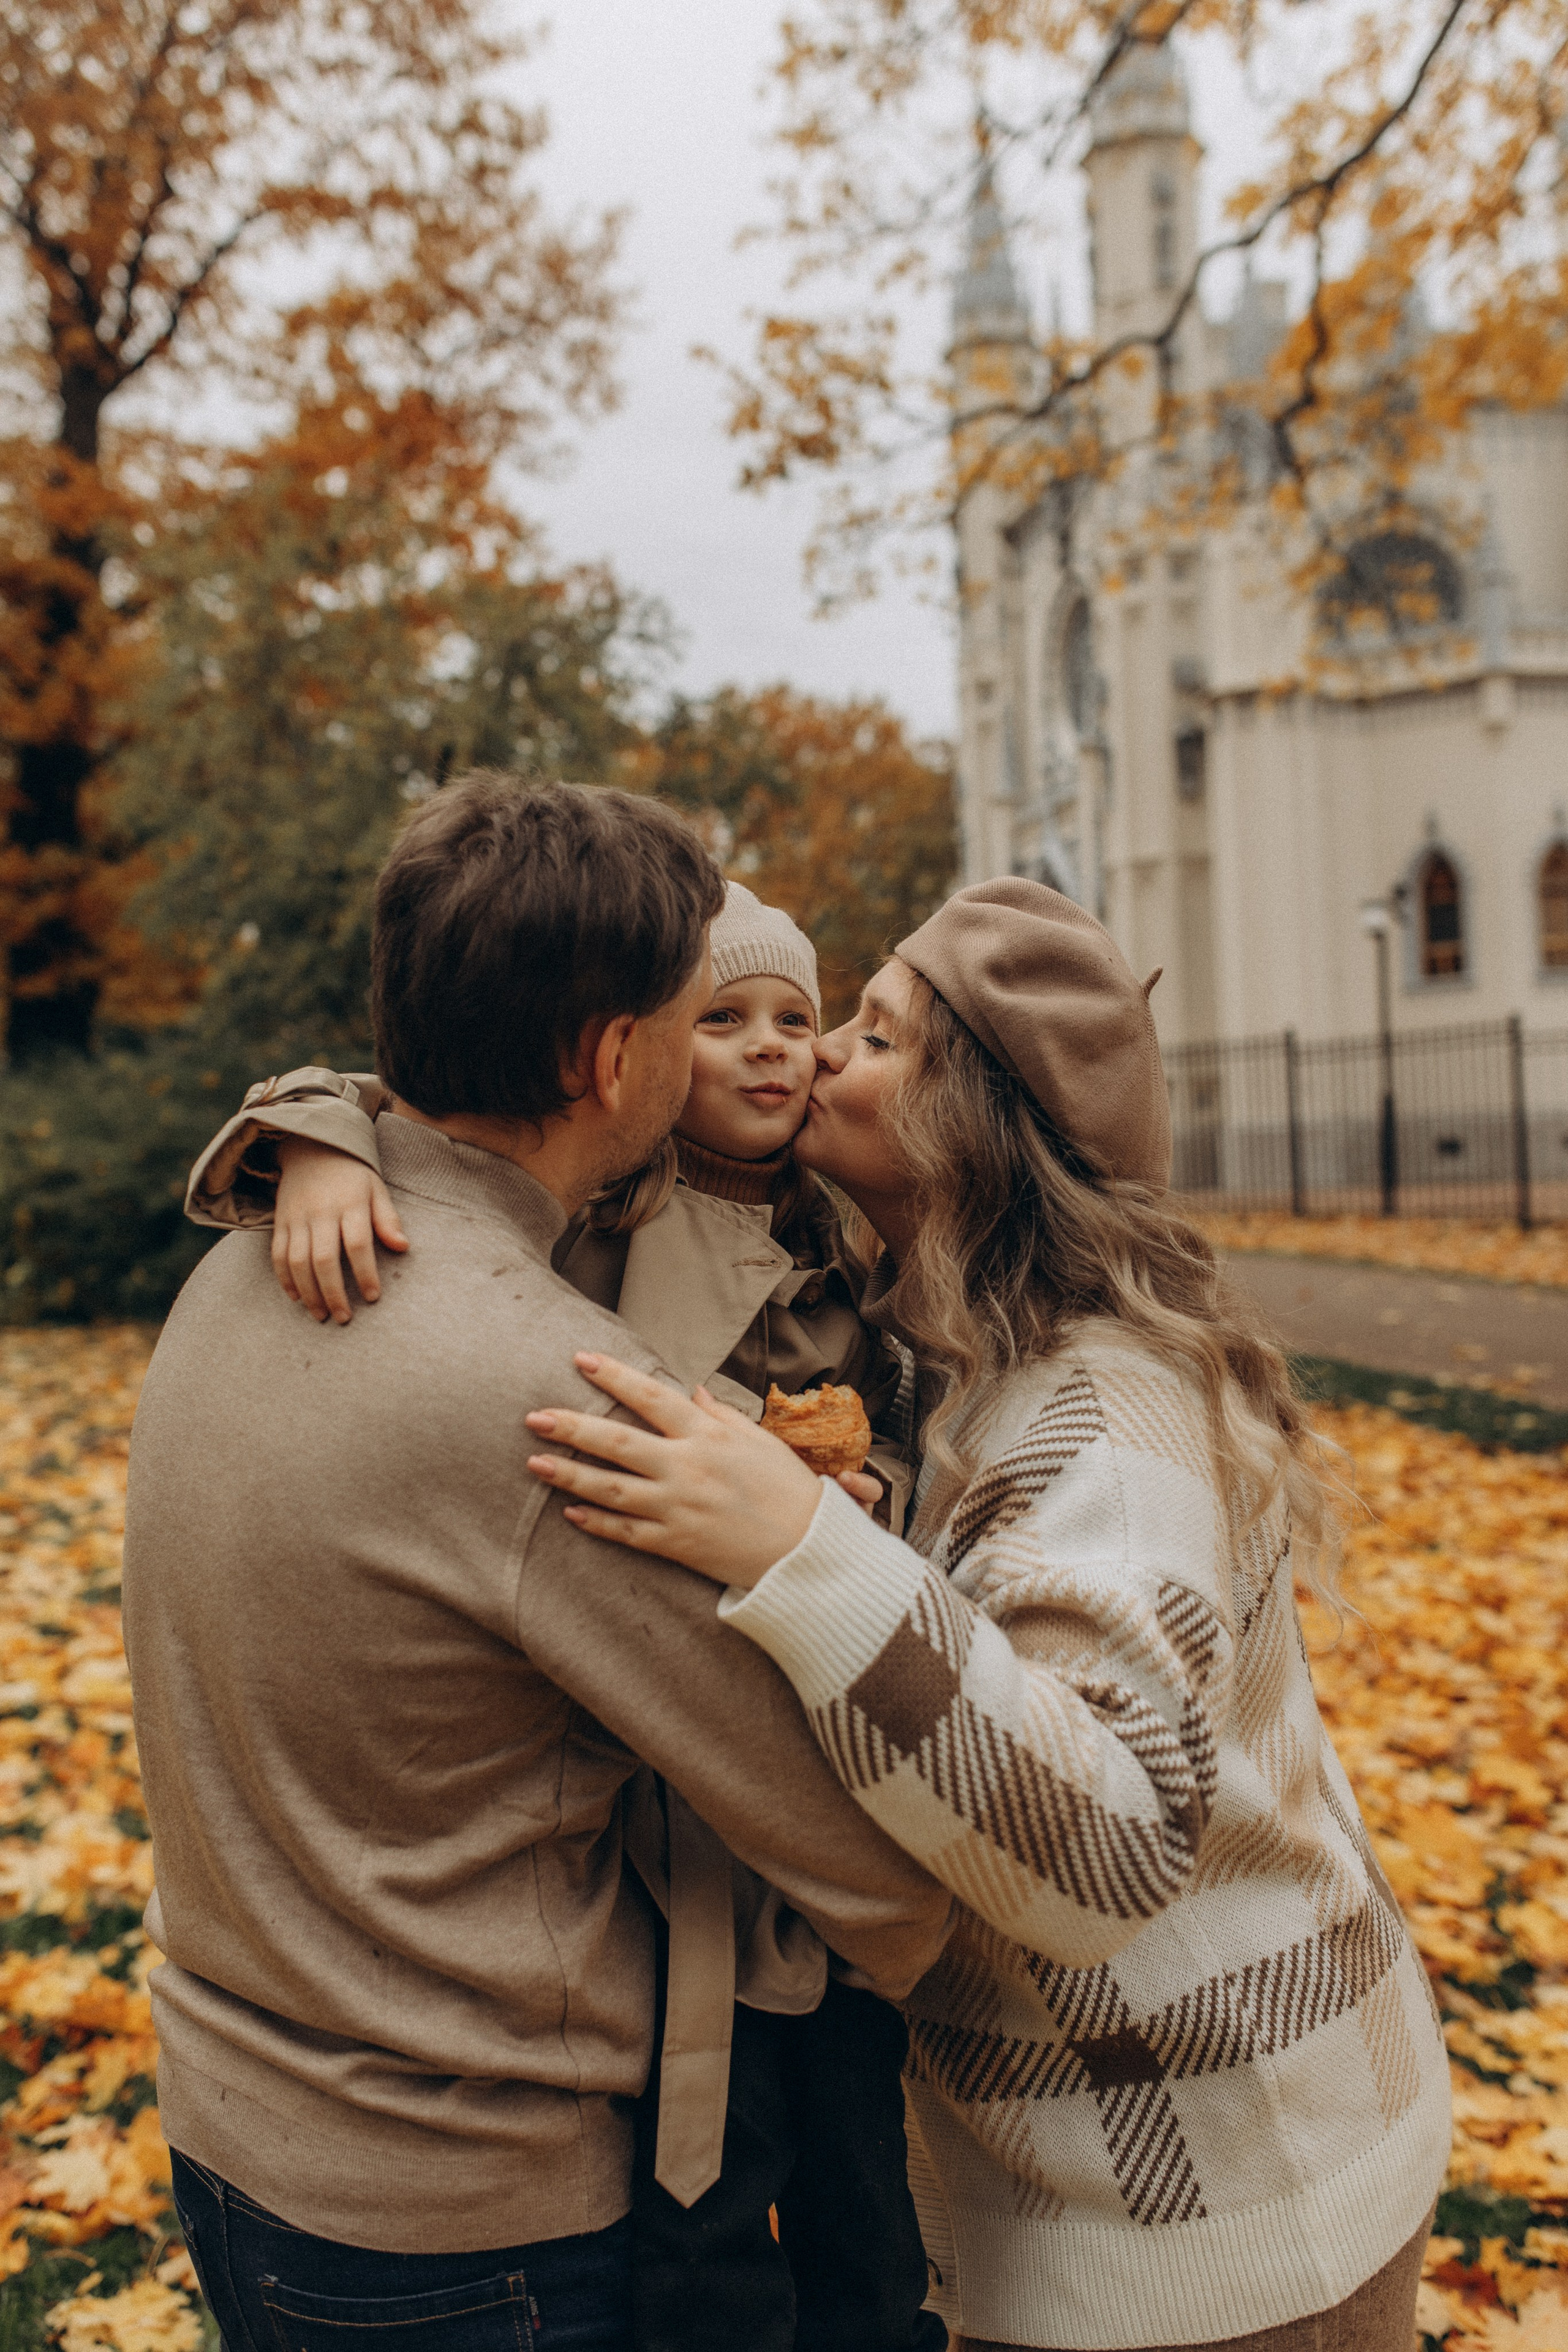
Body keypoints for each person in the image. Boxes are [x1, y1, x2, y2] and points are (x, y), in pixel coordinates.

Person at [518, 878, 1453, 2352]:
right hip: (1148, 2150)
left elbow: (1103, 1848)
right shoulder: (934, 1342)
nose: (816, 1055)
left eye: (874, 1038)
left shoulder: (1100, 1423)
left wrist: (801, 1548)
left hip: (1220, 2202)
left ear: (970, 1120)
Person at [122, 775, 952, 2352]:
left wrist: (303, 1129)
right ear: (610, 1057)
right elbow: (861, 1849)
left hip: (232, 2128)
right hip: (455, 2212)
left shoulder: (244, 1263)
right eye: (687, 1009)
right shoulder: (564, 1403)